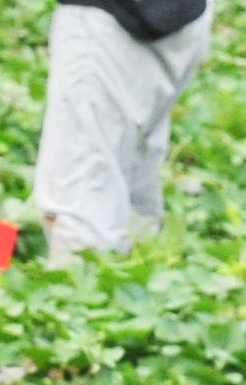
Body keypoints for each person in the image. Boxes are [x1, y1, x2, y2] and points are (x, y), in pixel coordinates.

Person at [31, 0, 211, 266]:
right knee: (133, 199)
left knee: (79, 214)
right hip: (175, 16)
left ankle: (81, 300)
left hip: (112, 25)